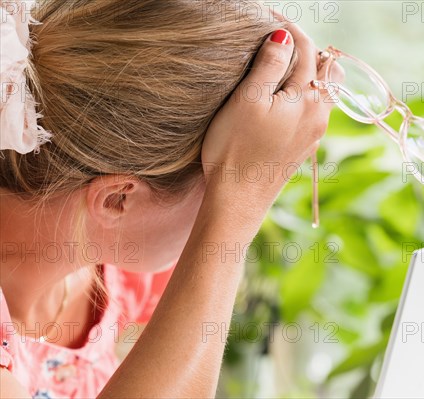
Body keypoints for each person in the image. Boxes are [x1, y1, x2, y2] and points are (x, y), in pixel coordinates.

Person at [0, 0, 333, 397]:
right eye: (220, 189)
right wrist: (234, 211)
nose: (252, 210)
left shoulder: (117, 270)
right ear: (116, 200)